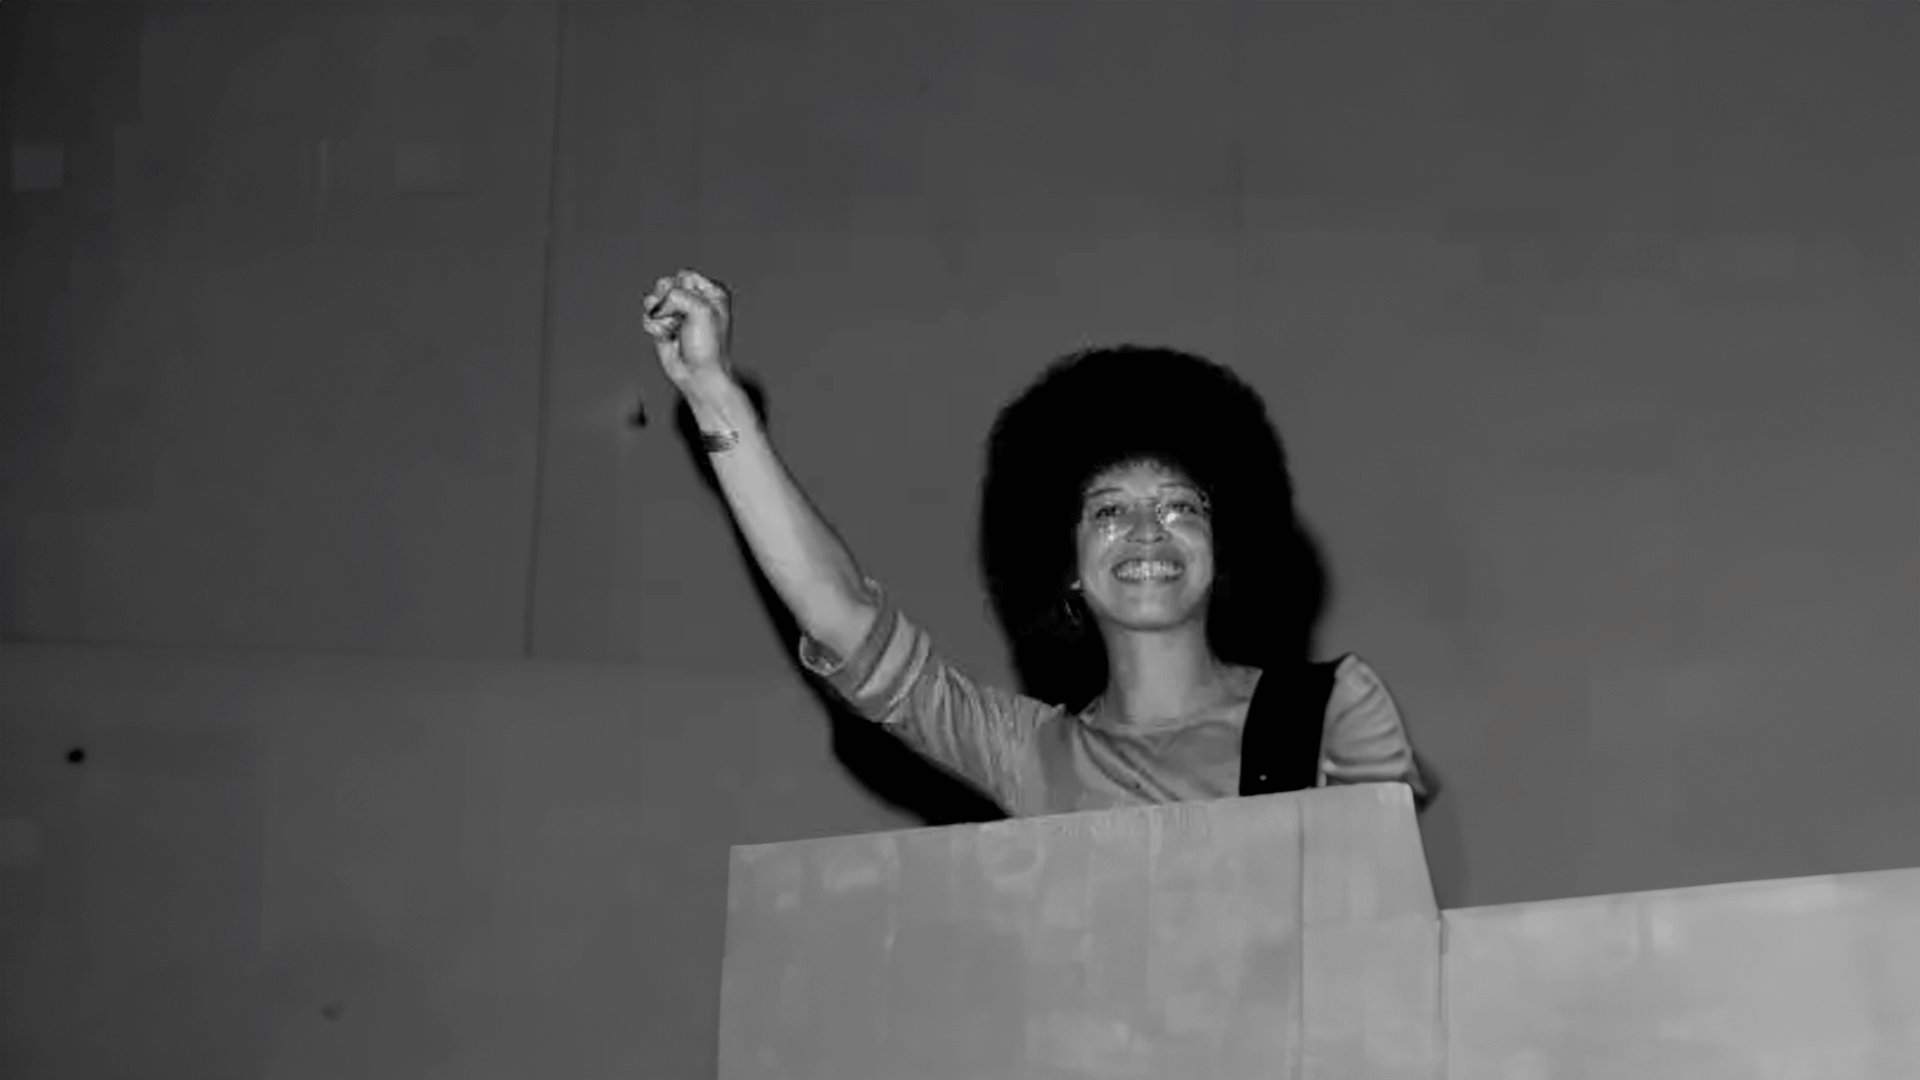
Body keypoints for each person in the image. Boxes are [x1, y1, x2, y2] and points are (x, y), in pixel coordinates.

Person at [644, 268, 1428, 818]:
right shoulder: (1030, 752)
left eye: (1181, 506)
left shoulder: (1329, 708)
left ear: (1225, 547)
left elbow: (1379, 930)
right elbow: (843, 621)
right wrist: (717, 399)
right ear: (1068, 567)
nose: (1148, 531)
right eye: (1110, 511)